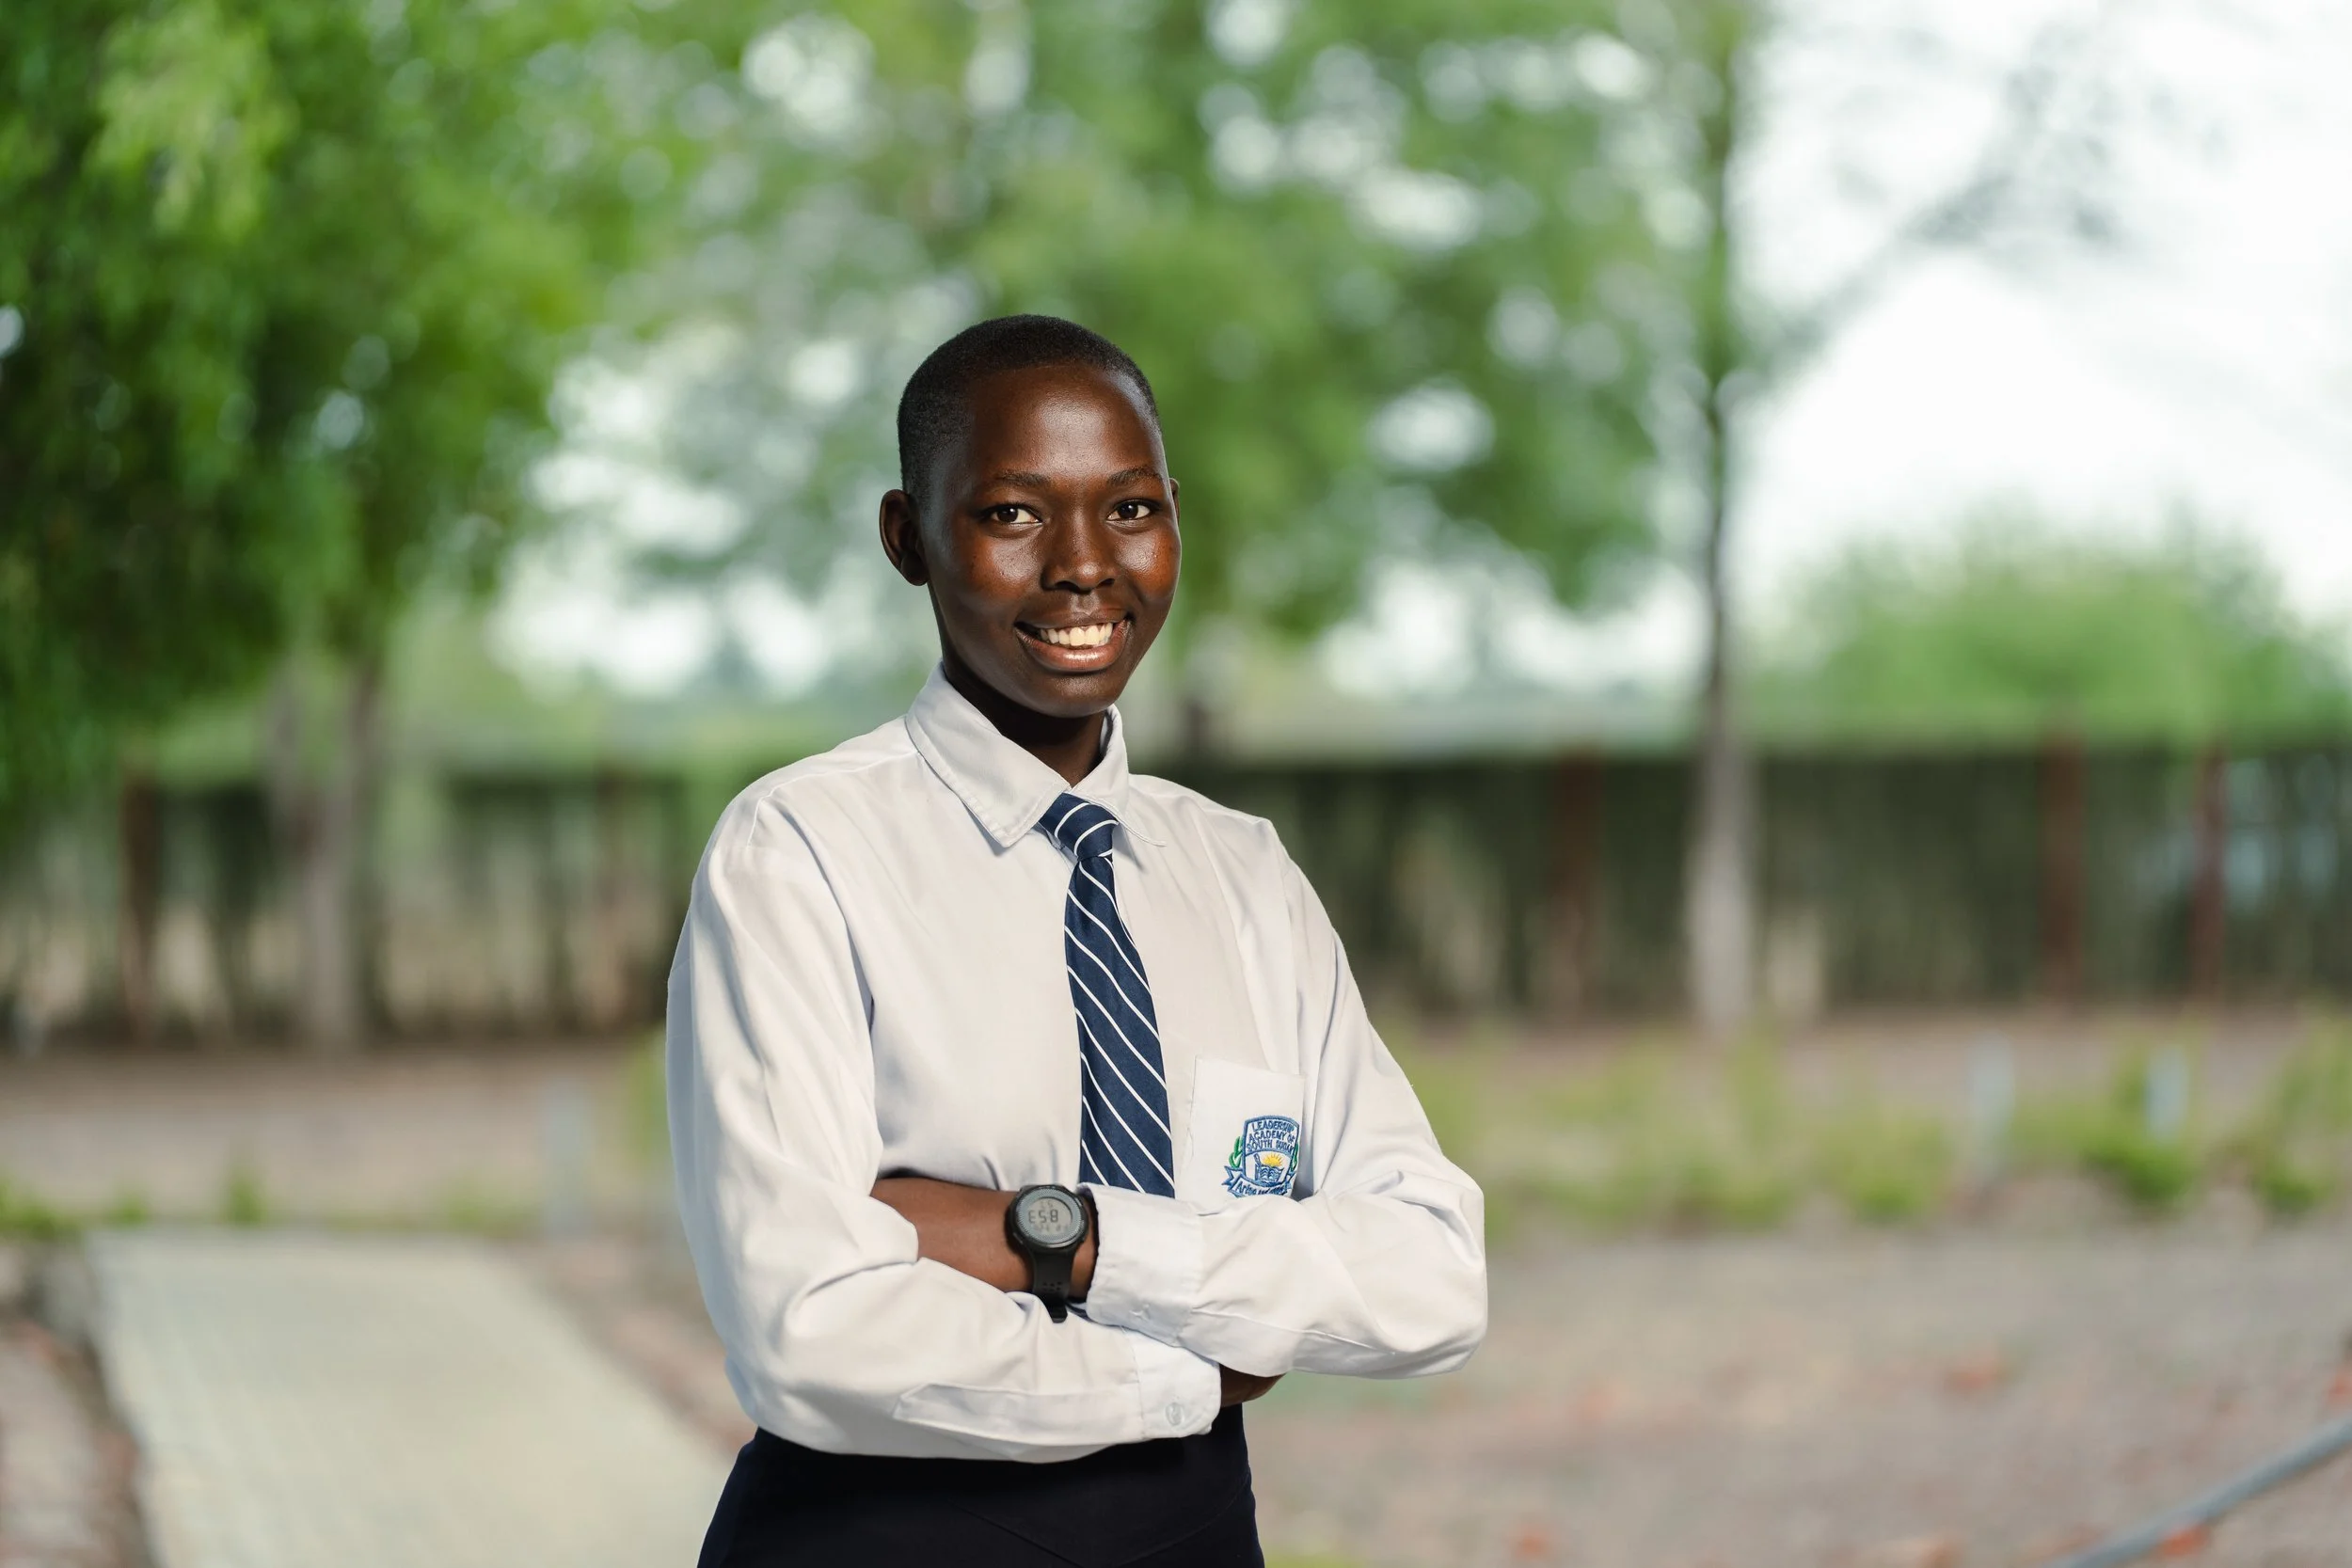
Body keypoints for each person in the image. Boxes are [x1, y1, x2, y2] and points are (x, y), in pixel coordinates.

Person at [668, 314, 1487, 1567]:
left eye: (1132, 509)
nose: (1084, 566)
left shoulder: (1243, 875)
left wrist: (1055, 1232)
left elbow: (1430, 1275)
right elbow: (810, 1325)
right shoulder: (799, 853)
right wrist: (1194, 1365)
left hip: (1197, 1533)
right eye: (1011, 514)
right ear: (908, 538)